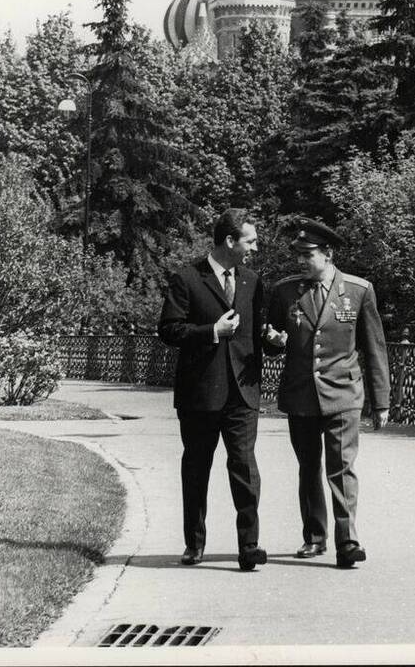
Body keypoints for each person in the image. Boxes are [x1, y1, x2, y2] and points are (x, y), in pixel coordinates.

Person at [264, 218, 390, 568]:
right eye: (298, 255)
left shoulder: (358, 290)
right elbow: (272, 340)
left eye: (308, 254)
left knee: (342, 468)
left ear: (328, 254)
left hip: (344, 394)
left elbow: (374, 348)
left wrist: (381, 402)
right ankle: (314, 537)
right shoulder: (285, 291)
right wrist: (272, 341)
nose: (301, 261)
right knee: (308, 467)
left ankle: (348, 542)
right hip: (301, 394)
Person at [158, 208, 273, 571]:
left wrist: (275, 342)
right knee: (197, 469)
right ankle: (194, 544)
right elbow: (169, 330)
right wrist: (210, 332)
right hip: (200, 395)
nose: (255, 247)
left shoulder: (253, 282)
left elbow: (257, 335)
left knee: (245, 467)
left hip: (242, 393)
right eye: (250, 241)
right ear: (230, 241)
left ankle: (249, 546)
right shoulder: (187, 278)